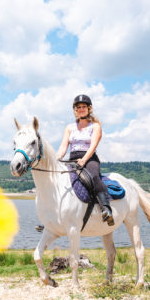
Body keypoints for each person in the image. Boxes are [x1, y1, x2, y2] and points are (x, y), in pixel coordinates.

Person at [55, 94, 114, 226]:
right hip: (72, 159)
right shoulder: (69, 128)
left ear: (89, 109)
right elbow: (63, 147)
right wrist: (57, 158)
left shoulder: (95, 126)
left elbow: (93, 146)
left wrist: (84, 159)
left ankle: (106, 209)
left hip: (89, 158)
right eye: (78, 107)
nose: (81, 109)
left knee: (93, 177)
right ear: (75, 110)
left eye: (84, 107)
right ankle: (54, 217)